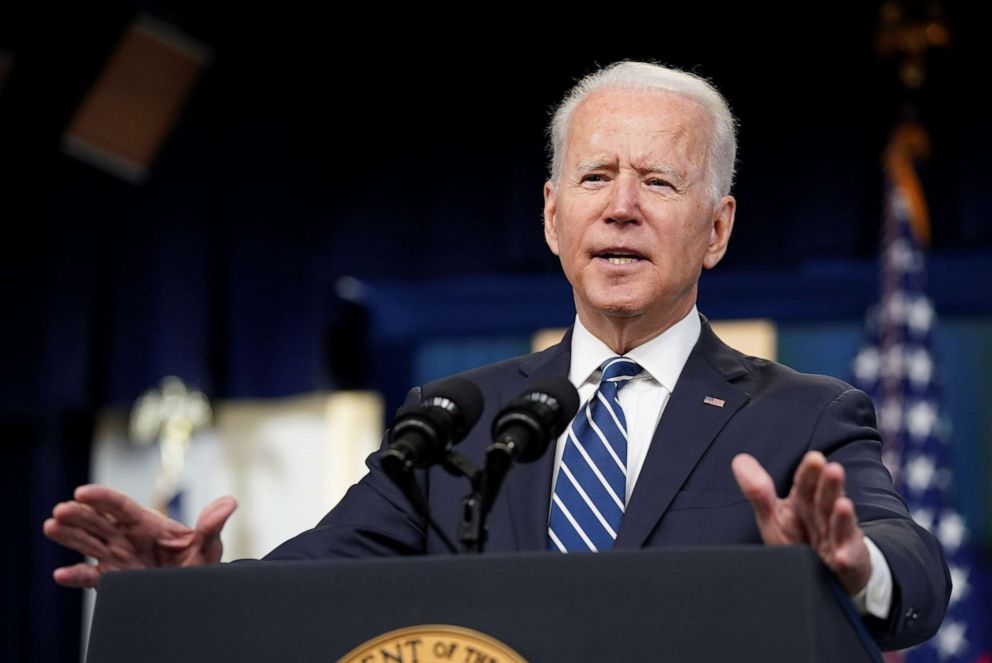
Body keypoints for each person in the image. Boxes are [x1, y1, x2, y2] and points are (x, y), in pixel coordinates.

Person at [43, 60, 949, 651]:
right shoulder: (452, 419)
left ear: (716, 229)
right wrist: (197, 594)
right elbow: (310, 582)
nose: (622, 206)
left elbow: (916, 572)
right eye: (596, 178)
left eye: (659, 182)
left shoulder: (804, 413)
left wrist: (846, 565)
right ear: (554, 216)